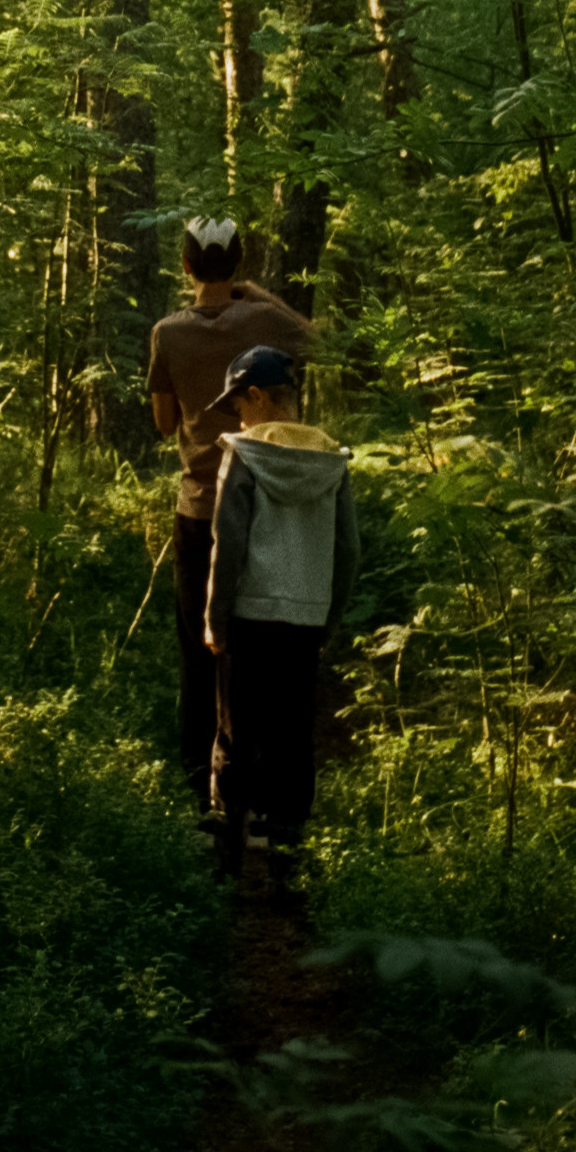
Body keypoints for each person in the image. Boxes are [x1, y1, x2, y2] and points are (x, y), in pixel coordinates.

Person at [148, 218, 313, 810]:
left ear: (187, 267)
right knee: (265, 647)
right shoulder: (265, 321)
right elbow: (319, 337)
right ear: (237, 264)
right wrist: (259, 294)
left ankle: (201, 788)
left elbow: (164, 423)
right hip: (263, 504)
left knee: (200, 648)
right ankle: (267, 789)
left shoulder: (167, 333)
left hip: (198, 508)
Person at [204, 349, 358, 881]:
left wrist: (214, 618)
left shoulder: (244, 454)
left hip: (248, 615)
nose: (238, 419)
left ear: (259, 397)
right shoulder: (332, 461)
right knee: (292, 734)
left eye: (238, 405)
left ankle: (228, 849)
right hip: (306, 619)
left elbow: (228, 543)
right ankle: (288, 859)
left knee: (236, 730)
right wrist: (328, 620)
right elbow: (348, 550)